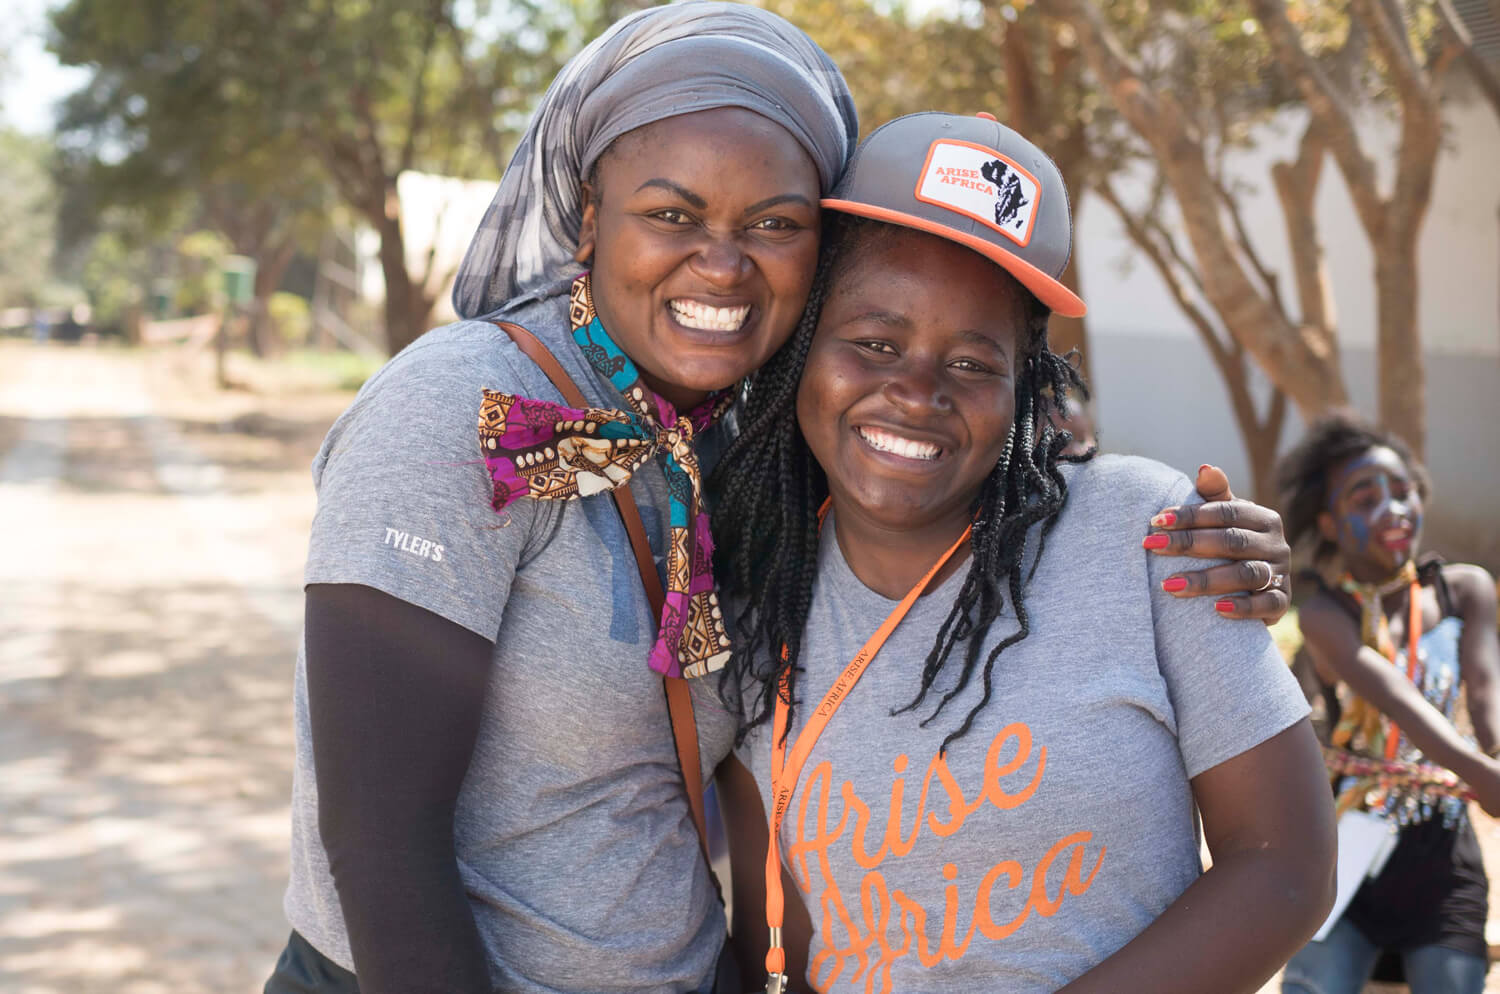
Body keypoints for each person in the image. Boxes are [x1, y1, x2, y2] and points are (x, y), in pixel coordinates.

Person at [263, 6, 1298, 990]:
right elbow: (379, 833)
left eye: (773, 222)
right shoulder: (463, 409)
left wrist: (1208, 549)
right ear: (589, 217)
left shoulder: (756, 448)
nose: (721, 262)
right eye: (673, 213)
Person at [711, 111, 1336, 994]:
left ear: (1025, 381)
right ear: (803, 346)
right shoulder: (760, 600)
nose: (917, 392)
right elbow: (779, 944)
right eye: (875, 343)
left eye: (971, 361)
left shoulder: (1147, 532)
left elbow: (1284, 866)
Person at [1277, 413, 1500, 994]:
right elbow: (1395, 699)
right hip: (1343, 858)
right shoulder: (1327, 615)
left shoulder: (1467, 590)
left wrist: (1495, 759)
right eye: (1365, 496)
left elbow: (1486, 699)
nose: (1393, 507)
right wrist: (1480, 773)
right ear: (1327, 522)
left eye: (1403, 492)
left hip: (1444, 860)